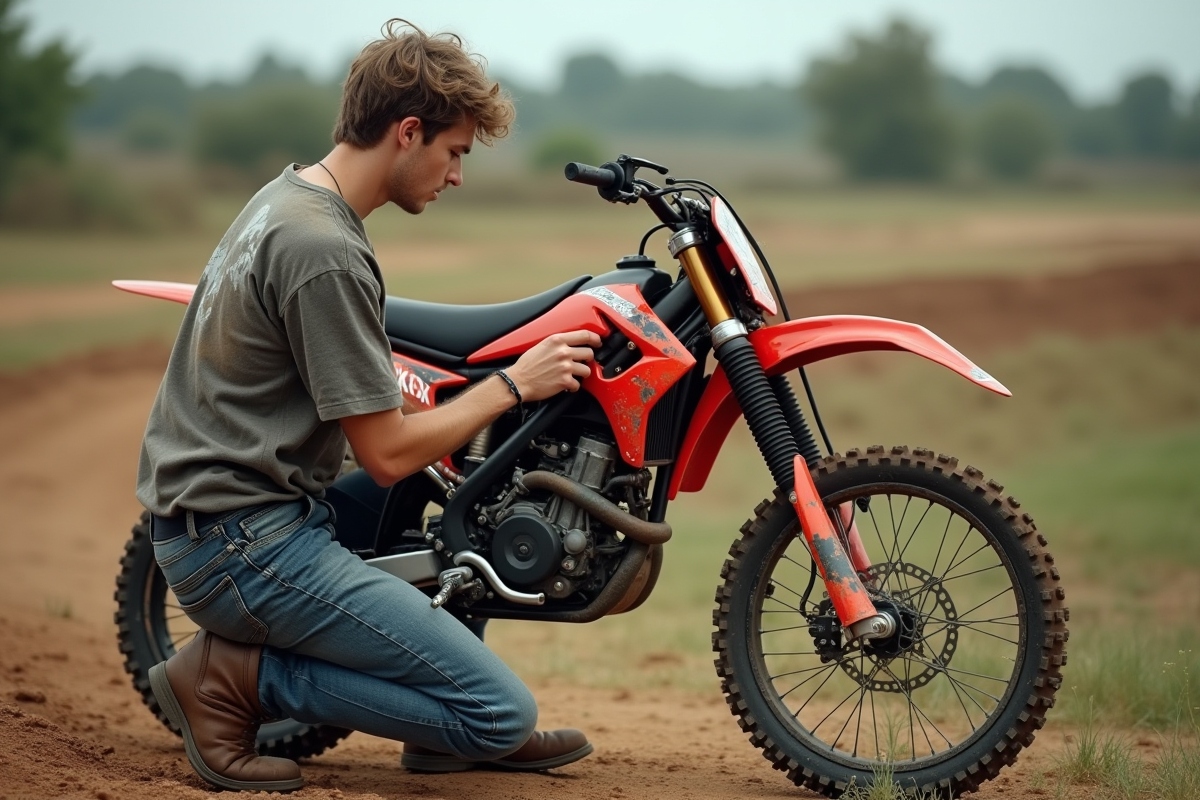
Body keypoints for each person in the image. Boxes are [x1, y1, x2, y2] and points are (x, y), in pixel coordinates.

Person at [137, 19, 601, 793]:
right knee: (500, 716)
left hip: (229, 519)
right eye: (454, 152)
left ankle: (436, 735)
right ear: (407, 130)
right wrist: (514, 384)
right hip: (243, 545)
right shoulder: (323, 249)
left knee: (462, 494)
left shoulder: (288, 198)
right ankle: (235, 678)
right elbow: (384, 452)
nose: (456, 176)